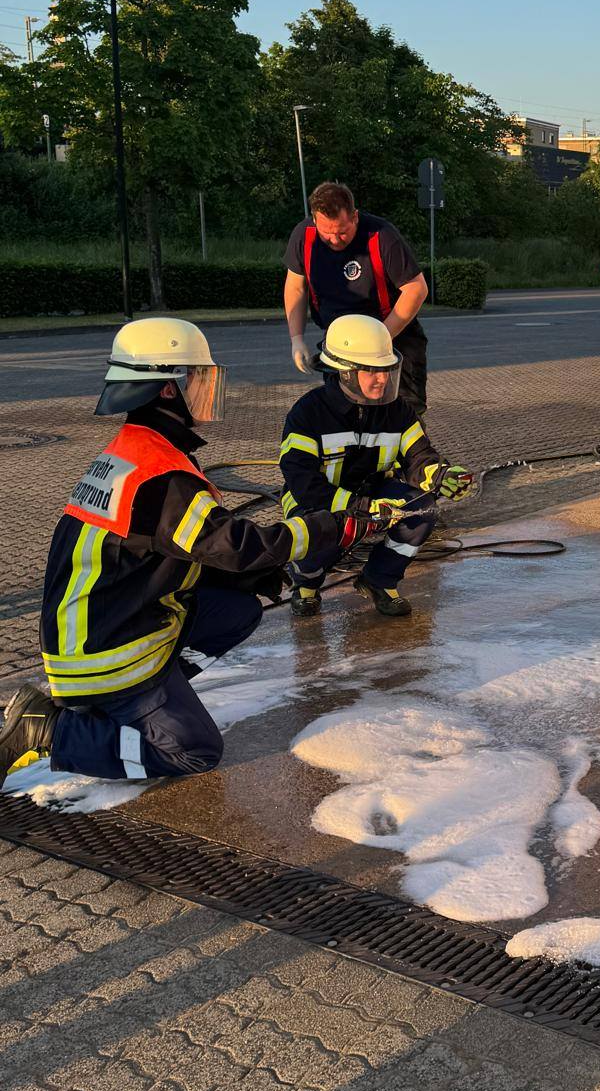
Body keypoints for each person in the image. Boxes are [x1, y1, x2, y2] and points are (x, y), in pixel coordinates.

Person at [0, 319, 393, 787]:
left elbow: (179, 551)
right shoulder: (161, 475)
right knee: (194, 752)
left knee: (237, 609)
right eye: (198, 378)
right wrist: (333, 527)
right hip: (105, 654)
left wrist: (245, 577)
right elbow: (237, 546)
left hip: (99, 623)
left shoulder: (138, 449)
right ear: (168, 389)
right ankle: (53, 729)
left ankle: (151, 697)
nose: (207, 389)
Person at [279, 314, 473, 618]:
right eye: (371, 370)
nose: (382, 379)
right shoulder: (308, 414)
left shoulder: (397, 411)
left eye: (385, 369)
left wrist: (442, 476)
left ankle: (379, 579)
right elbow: (302, 482)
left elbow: (419, 457)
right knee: (320, 531)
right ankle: (306, 583)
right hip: (317, 500)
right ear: (343, 372)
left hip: (374, 493)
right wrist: (358, 507)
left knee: (423, 509)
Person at [284, 180, 430, 412]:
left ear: (355, 217)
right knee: (342, 414)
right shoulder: (304, 237)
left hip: (394, 339)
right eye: (326, 233)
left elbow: (416, 289)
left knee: (402, 414)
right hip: (341, 346)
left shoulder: (382, 236)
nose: (334, 240)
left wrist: (379, 339)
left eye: (342, 232)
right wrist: (296, 338)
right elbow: (295, 287)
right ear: (314, 221)